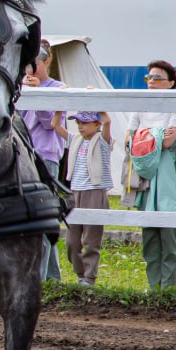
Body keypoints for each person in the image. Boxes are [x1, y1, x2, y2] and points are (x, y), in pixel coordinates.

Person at [125, 61, 176, 288]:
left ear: (171, 83)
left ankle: (168, 289)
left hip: (168, 176)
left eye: (157, 78)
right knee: (149, 235)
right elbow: (129, 138)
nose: (151, 82)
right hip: (144, 174)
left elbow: (171, 140)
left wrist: (145, 137)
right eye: (148, 78)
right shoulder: (140, 104)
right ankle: (154, 288)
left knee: (169, 234)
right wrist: (158, 134)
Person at [22, 40, 66, 282]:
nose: (30, 69)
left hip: (45, 156)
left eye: (35, 63)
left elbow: (49, 121)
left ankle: (40, 279)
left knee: (44, 217)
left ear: (47, 61)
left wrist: (37, 92)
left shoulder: (59, 88)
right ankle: (50, 278)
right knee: (32, 219)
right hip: (24, 155)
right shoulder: (20, 86)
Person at [64, 110, 111, 286]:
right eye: (78, 123)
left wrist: (99, 106)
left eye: (85, 122)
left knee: (91, 239)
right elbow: (55, 126)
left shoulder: (103, 142)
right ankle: (80, 272)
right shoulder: (75, 140)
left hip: (94, 191)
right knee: (71, 241)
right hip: (76, 191)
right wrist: (60, 108)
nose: (80, 126)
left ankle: (89, 277)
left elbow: (107, 121)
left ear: (96, 125)